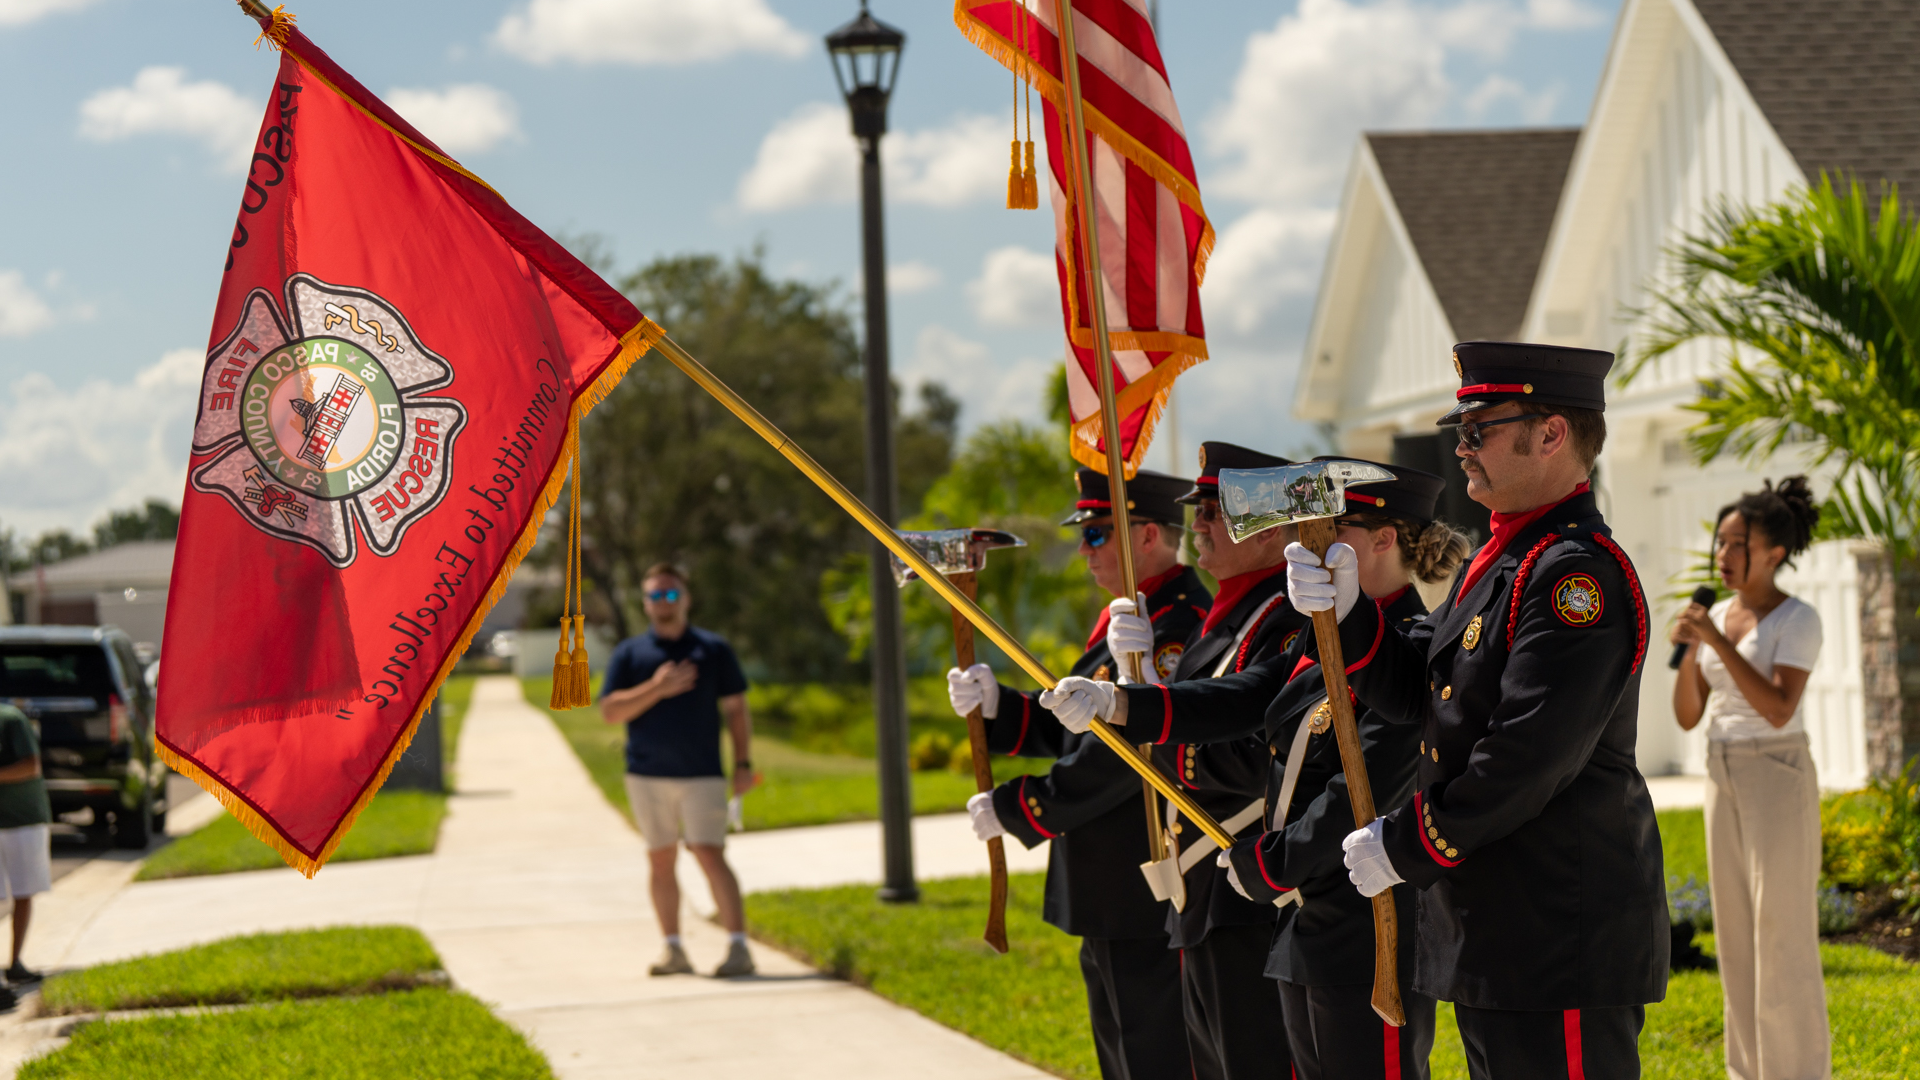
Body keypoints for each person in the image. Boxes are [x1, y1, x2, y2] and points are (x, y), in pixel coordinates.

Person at [1059, 342, 1669, 1078]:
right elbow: (1422, 694)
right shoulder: (1506, 563)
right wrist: (1349, 619)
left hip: (1555, 921)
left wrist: (1412, 841)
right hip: (1497, 925)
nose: (1462, 447)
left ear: (1551, 434)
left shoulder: (1575, 576)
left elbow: (1528, 755)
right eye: (1461, 431)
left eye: (1478, 429)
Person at [1048, 460, 1468, 1079]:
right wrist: (1124, 702)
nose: (1310, 542)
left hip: (1368, 924)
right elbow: (1243, 696)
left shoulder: (1415, 643)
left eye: (1334, 529)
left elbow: (1366, 786)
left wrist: (1272, 863)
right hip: (1304, 918)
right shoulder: (1319, 636)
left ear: (1385, 539)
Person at [949, 467, 1207, 1080]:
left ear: (1146, 535)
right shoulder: (1133, 616)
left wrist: (1023, 806)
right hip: (1111, 883)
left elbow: (1126, 756)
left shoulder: (1174, 627)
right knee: (1123, 1053)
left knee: (1159, 1057)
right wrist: (1001, 707)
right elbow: (1081, 727)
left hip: (1145, 878)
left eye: (1096, 533)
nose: (1084, 551)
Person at [1103, 442, 1308, 1080]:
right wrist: (1137, 680)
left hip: (1245, 890)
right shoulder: (1229, 613)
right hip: (1202, 888)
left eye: (1217, 511)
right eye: (1199, 508)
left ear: (1269, 527)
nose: (1199, 523)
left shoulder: (1286, 616)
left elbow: (1258, 756)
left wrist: (1140, 708)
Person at [1670, 476, 1828, 1080]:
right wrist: (1691, 650)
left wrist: (1716, 641)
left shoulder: (1797, 619)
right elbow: (1688, 716)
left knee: (1781, 932)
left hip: (1776, 771)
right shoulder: (1715, 616)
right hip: (1721, 767)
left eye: (1738, 544)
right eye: (1720, 542)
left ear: (1774, 553)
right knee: (1735, 932)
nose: (1724, 554)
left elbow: (1780, 707)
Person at [600, 563, 758, 979]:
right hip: (646, 775)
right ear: (645, 603)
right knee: (660, 858)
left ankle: (739, 947)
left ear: (686, 599)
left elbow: (737, 709)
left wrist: (743, 763)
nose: (663, 602)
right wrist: (658, 688)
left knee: (709, 852)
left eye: (671, 594)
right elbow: (611, 712)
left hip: (703, 774)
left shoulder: (713, 649)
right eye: (655, 595)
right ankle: (673, 951)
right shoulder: (630, 654)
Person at [0, 702, 45, 1007]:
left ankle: (15, 962)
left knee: (23, 891)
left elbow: (31, 766)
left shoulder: (10, 719)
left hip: (23, 820)